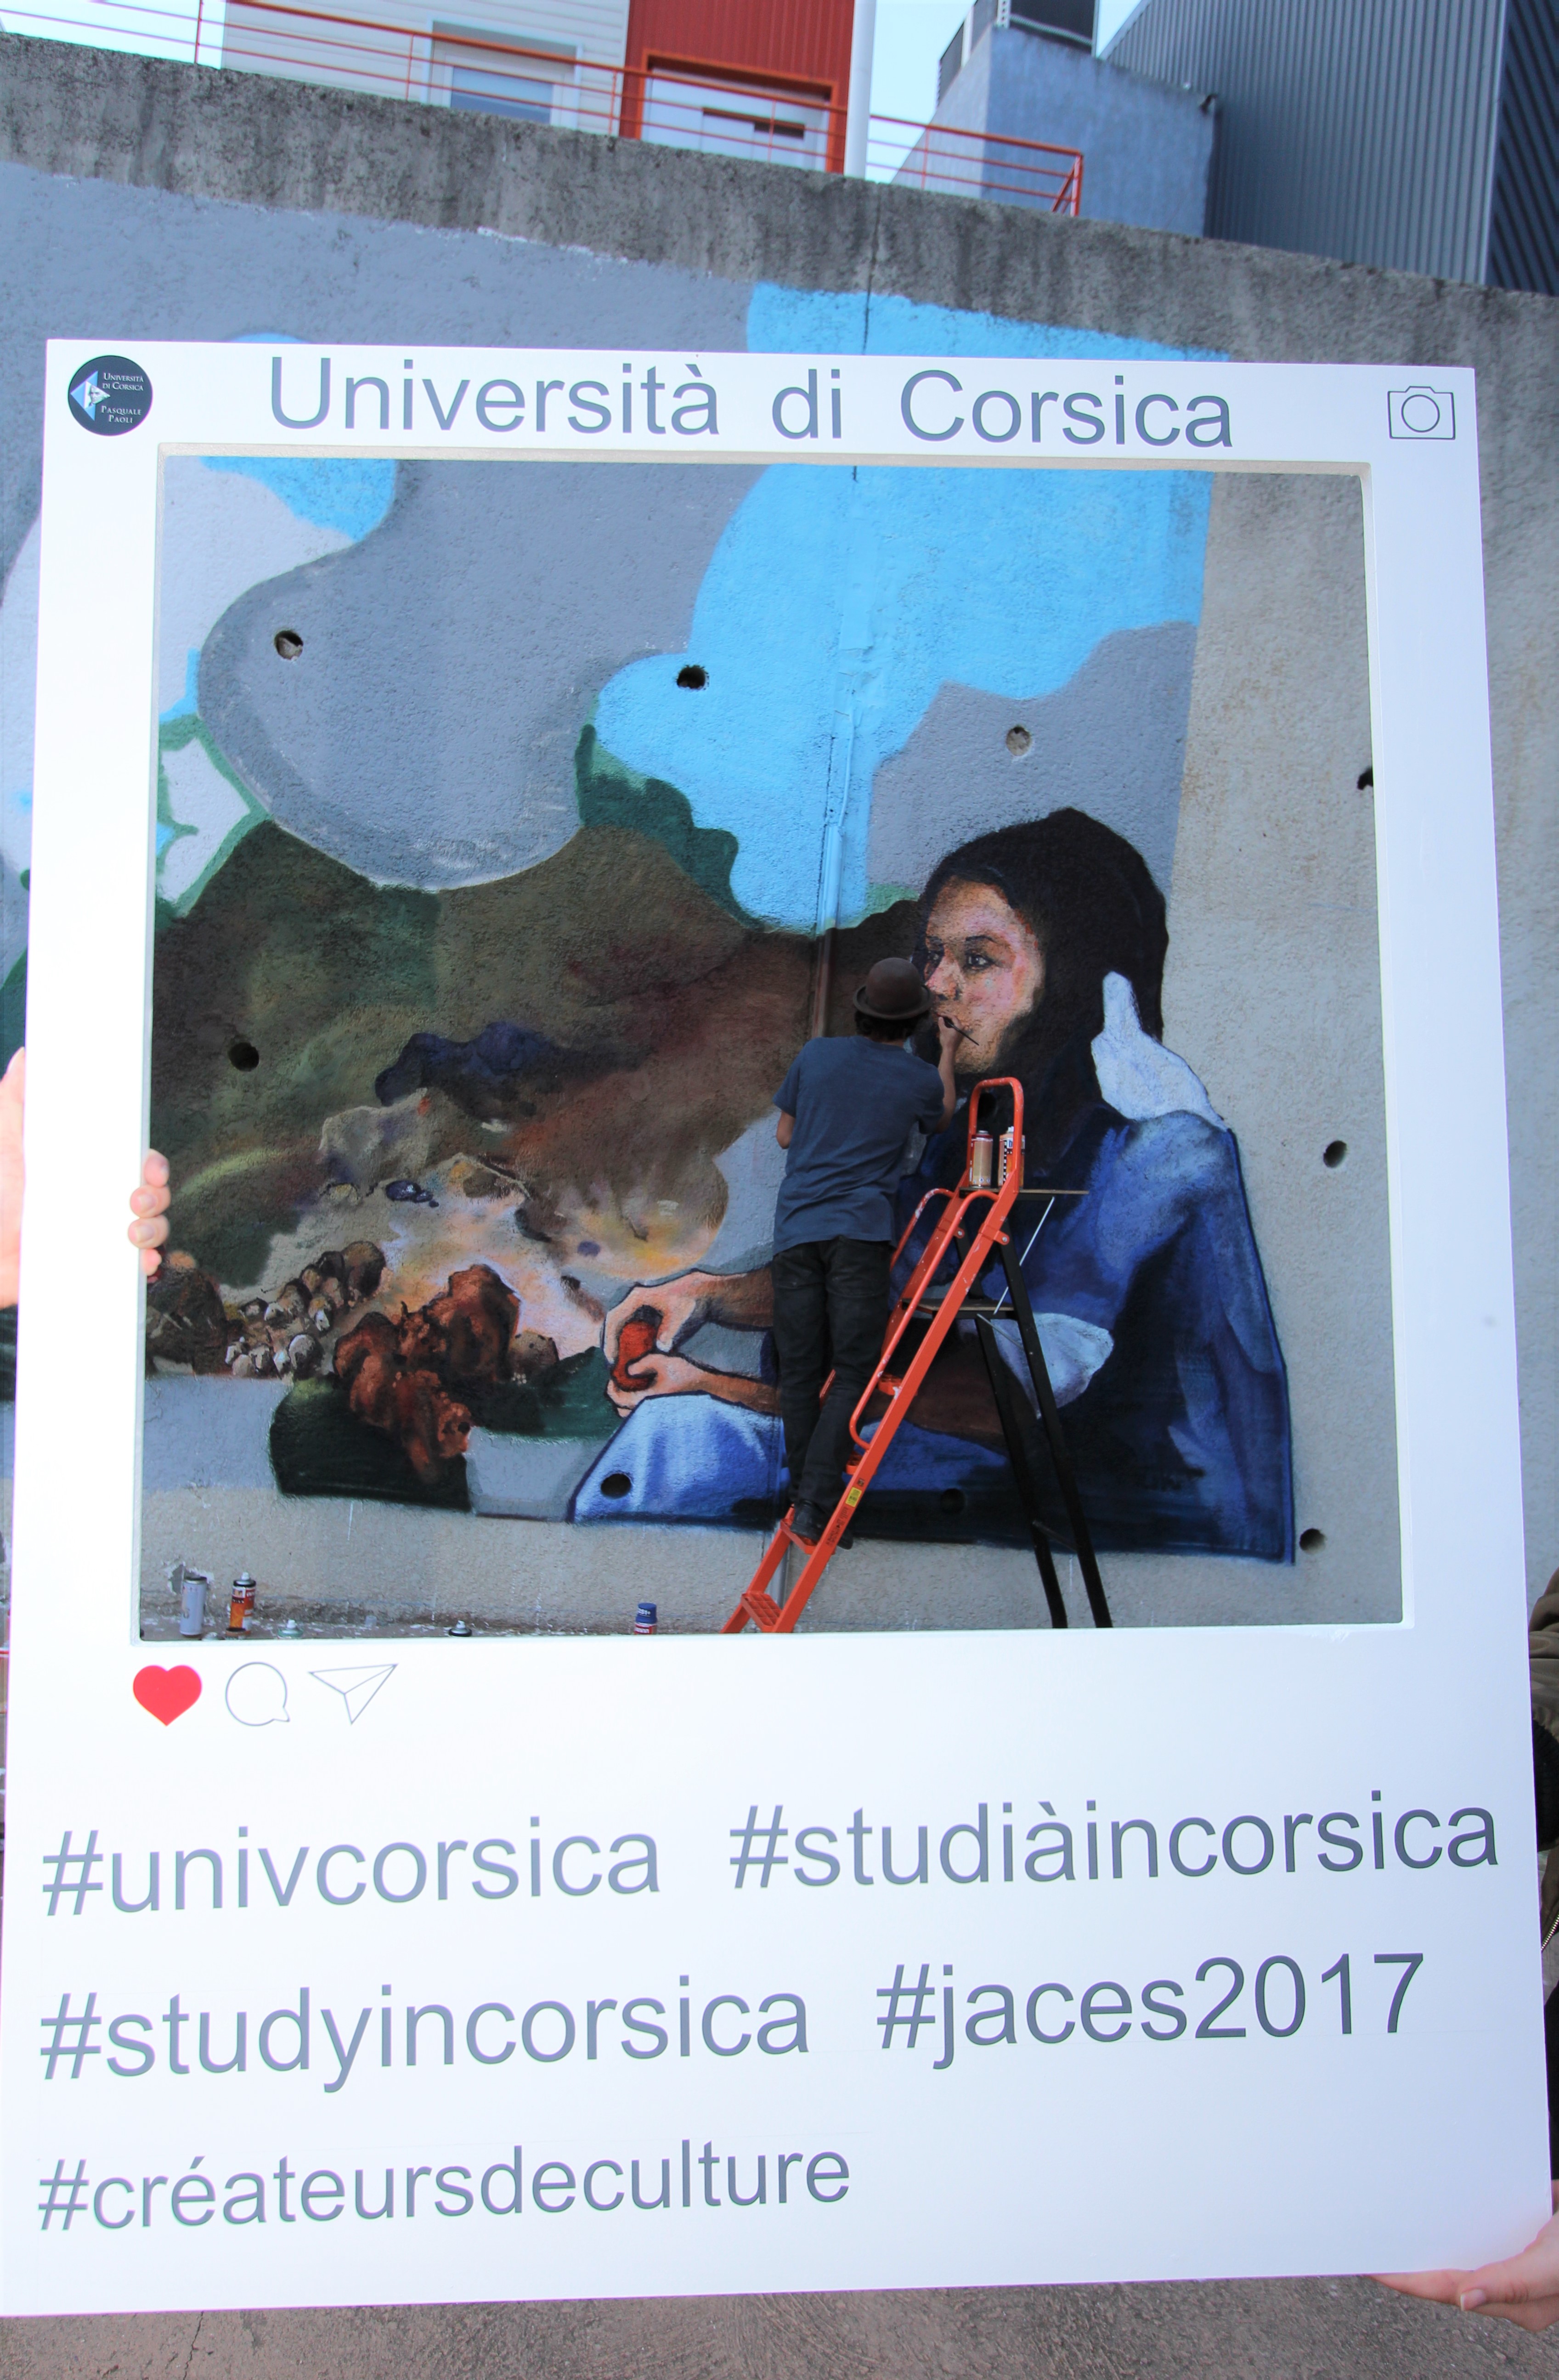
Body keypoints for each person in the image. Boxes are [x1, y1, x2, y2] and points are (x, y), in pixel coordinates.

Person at [596, 808, 1291, 1562]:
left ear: (1072, 978)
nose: (935, 984)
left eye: (977, 960)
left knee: (677, 1451)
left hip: (1138, 1519)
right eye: (931, 955)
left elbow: (1005, 1396)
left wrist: (718, 1388)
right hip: (1002, 1480)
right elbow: (878, 1275)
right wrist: (703, 1294)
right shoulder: (985, 1120)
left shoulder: (1156, 1148)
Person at [767, 955, 956, 1541]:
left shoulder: (815, 1055)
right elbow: (941, 1119)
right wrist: (948, 1052)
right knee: (853, 1370)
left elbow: (785, 1134)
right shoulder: (919, 1078)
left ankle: (805, 1500)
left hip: (797, 1230)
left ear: (862, 1009)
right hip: (860, 1235)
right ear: (915, 1021)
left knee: (801, 1373)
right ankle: (813, 1505)